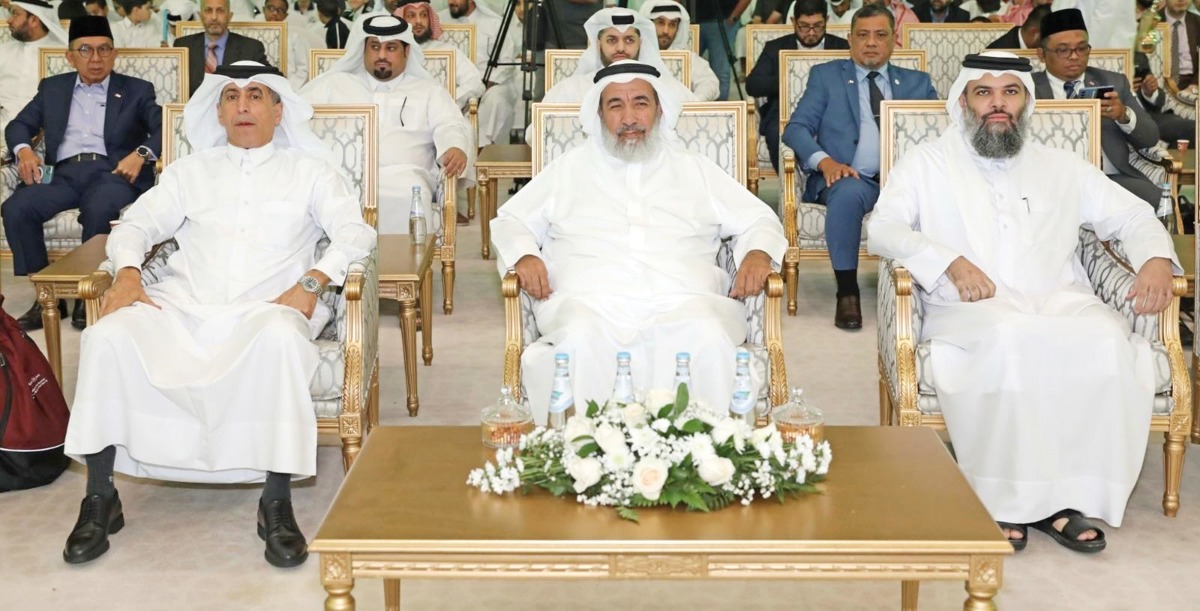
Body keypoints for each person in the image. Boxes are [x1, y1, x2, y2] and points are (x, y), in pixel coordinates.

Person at [61, 61, 376, 568]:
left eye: (256, 95)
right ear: (219, 111)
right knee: (106, 336)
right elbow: (135, 224)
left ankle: (276, 502)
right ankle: (100, 497)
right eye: (231, 96)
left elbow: (356, 233)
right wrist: (128, 272)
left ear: (278, 110)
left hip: (268, 308)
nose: (243, 106)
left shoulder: (311, 172)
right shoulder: (190, 172)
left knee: (280, 340)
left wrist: (313, 281)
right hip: (184, 304)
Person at [868, 51, 1179, 554]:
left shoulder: (1062, 166)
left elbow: (1134, 216)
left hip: (1058, 297)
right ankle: (1002, 501)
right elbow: (883, 229)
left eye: (1010, 92)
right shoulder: (926, 163)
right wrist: (947, 261)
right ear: (964, 101)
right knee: (1011, 339)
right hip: (968, 308)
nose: (998, 104)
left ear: (1026, 102)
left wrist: (1156, 259)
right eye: (984, 92)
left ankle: (1066, 500)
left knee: (1105, 340)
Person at [491, 60, 787, 422]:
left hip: (686, 300)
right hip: (590, 302)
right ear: (599, 115)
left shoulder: (694, 168)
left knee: (708, 337)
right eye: (616, 105)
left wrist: (757, 253)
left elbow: (759, 218)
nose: (629, 118)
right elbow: (511, 220)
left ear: (659, 110)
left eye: (641, 103)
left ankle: (705, 451)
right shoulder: (569, 168)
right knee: (580, 339)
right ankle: (583, 451)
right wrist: (524, 255)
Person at [781, 3, 937, 330]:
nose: (871, 43)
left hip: (904, 182)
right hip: (853, 178)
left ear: (893, 39)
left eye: (880, 35)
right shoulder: (826, 77)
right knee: (847, 193)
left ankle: (934, 286)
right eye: (863, 35)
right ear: (850, 39)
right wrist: (825, 162)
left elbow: (936, 133)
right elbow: (795, 129)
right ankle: (848, 293)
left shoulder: (917, 83)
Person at [3, 16, 161, 332]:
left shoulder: (137, 90)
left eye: (104, 49)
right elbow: (19, 125)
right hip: (64, 174)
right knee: (17, 207)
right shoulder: (53, 88)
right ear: (70, 56)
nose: (96, 58)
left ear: (114, 54)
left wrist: (141, 154)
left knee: (100, 207)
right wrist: (24, 151)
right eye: (85, 50)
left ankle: (89, 293)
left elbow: (163, 128)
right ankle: (46, 296)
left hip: (112, 173)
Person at [301, 15, 472, 234]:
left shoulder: (429, 91)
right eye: (374, 47)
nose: (381, 55)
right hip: (342, 178)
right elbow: (295, 116)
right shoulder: (334, 85)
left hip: (405, 178)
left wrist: (454, 146)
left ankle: (405, 258)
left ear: (406, 51)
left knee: (407, 194)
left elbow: (449, 124)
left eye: (391, 48)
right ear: (363, 50)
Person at [1032, 8, 1160, 206]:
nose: (1074, 56)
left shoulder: (1113, 82)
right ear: (1042, 54)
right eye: (1063, 50)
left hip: (1110, 179)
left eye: (1081, 48)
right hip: (1051, 182)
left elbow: (1150, 137)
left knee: (1156, 200)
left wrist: (1123, 115)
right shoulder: (1026, 89)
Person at [533, 7, 697, 145]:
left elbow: (701, 126)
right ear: (598, 45)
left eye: (629, 40)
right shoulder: (570, 89)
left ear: (641, 44)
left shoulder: (667, 88)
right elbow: (535, 135)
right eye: (612, 40)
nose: (621, 48)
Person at [746, 0, 850, 172]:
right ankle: (789, 182)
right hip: (783, 112)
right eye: (804, 26)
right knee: (775, 131)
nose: (811, 32)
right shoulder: (775, 48)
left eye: (818, 26)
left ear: (826, 20)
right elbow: (753, 85)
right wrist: (790, 79)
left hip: (831, 110)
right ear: (794, 22)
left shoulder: (842, 47)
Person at [439, 0, 518, 146]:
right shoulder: (440, 22)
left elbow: (506, 62)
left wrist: (486, 84)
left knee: (497, 99)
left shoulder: (494, 23)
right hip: (452, 84)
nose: (451, 2)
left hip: (490, 84)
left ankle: (484, 148)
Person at [0, 0, 70, 149]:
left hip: (44, 135)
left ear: (34, 20)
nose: (9, 20)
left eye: (15, 14)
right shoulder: (3, 51)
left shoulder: (62, 56)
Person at [394, 0, 486, 110]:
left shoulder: (447, 51)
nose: (418, 21)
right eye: (411, 16)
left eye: (424, 15)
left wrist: (445, 101)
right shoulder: (393, 55)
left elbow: (475, 83)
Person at [175, 0, 271, 95]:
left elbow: (272, 80)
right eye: (208, 10)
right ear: (200, 15)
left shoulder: (251, 48)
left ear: (230, 16)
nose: (214, 17)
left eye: (220, 11)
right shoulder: (183, 45)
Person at [639, 0, 721, 101]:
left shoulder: (686, 57)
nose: (666, 31)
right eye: (661, 23)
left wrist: (693, 103)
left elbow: (710, 82)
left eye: (672, 25)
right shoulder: (636, 54)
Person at [262, 0, 325, 89]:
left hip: (289, 87)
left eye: (280, 10)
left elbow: (303, 69)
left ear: (285, 15)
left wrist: (286, 88)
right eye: (271, 8)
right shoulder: (253, 36)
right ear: (264, 10)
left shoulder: (294, 38)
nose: (275, 13)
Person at [693, 0, 748, 100]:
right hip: (692, 19)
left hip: (723, 19)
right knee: (685, 66)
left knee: (720, 71)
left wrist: (734, 16)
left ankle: (719, 108)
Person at [1160, 0, 1200, 89]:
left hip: (1192, 83)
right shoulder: (1152, 22)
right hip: (1160, 83)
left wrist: (1195, 84)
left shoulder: (1197, 23)